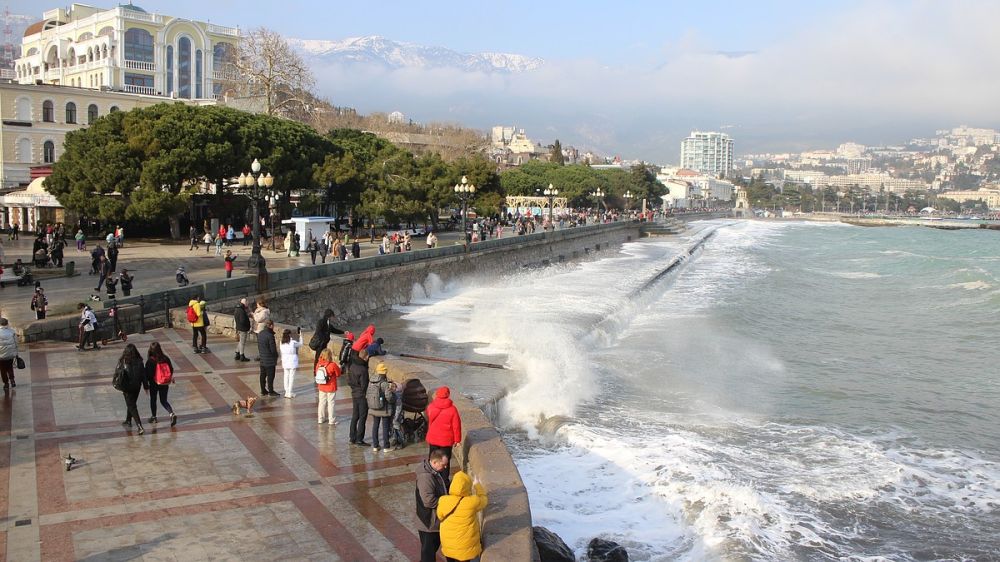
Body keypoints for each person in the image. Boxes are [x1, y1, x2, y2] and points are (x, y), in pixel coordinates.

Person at [437, 471, 489, 562]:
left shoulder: (443, 500)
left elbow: (440, 516)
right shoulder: (472, 502)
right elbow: (484, 500)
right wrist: (477, 485)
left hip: (449, 544)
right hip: (465, 547)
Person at [415, 449, 451, 562]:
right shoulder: (426, 477)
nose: (445, 467)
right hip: (428, 522)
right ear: (434, 462)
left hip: (432, 520)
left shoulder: (434, 472)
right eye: (443, 465)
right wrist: (447, 503)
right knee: (428, 554)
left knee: (430, 551)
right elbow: (429, 501)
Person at [426, 386, 462, 480]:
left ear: (437, 394)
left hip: (433, 438)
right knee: (445, 461)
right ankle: (444, 481)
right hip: (446, 440)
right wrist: (457, 440)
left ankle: (432, 478)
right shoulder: (452, 409)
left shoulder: (431, 407)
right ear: (448, 395)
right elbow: (456, 426)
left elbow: (429, 420)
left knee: (433, 459)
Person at [116, 343, 148, 434]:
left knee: (132, 406)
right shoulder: (140, 361)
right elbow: (143, 375)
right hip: (137, 386)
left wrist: (118, 385)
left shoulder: (123, 361)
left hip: (127, 387)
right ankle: (128, 420)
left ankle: (139, 426)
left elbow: (118, 374)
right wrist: (146, 387)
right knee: (131, 403)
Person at [144, 341, 177, 427]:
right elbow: (171, 369)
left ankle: (154, 417)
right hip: (164, 383)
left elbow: (148, 374)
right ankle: (171, 413)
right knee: (164, 400)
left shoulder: (150, 361)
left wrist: (147, 384)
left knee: (153, 399)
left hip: (154, 383)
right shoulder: (165, 358)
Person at [367, 362, 394, 453]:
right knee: (385, 427)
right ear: (384, 372)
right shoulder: (384, 383)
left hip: (373, 408)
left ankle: (375, 445)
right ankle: (386, 446)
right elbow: (389, 397)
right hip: (383, 409)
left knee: (375, 426)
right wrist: (393, 400)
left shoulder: (371, 381)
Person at [347, 348, 371, 445]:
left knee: (355, 416)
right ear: (365, 357)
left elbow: (348, 380)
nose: (368, 357)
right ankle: (359, 439)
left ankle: (352, 437)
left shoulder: (352, 366)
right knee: (362, 417)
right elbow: (364, 385)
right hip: (361, 395)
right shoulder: (363, 369)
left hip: (354, 393)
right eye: (367, 356)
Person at [315, 348, 341, 424]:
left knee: (322, 403)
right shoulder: (332, 365)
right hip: (331, 386)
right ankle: (331, 420)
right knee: (331, 403)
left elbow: (317, 373)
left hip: (321, 386)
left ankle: (320, 418)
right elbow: (338, 374)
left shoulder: (318, 365)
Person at [279, 327, 303, 398]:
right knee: (291, 377)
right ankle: (290, 392)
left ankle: (286, 391)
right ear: (289, 335)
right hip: (292, 360)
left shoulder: (281, 342)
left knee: (286, 376)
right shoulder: (293, 343)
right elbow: (301, 344)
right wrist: (300, 335)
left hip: (285, 360)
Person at [257, 319, 279, 397]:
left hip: (262, 358)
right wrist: (276, 356)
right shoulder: (270, 336)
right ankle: (271, 391)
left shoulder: (260, 333)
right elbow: (273, 349)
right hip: (269, 360)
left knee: (262, 375)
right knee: (270, 376)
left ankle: (263, 390)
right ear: (271, 326)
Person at [0, 318, 18, 390]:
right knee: (10, 367)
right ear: (7, 323)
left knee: (2, 370)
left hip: (1, 355)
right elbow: (16, 343)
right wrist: (16, 352)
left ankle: (6, 384)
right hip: (10, 354)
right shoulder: (12, 331)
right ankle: (12, 380)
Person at [233, 298, 252, 362]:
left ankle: (237, 353)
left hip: (239, 327)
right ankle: (242, 355)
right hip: (243, 328)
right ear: (245, 302)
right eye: (247, 303)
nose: (248, 304)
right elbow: (243, 320)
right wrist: (247, 324)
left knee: (240, 341)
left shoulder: (237, 309)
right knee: (242, 342)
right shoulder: (241, 310)